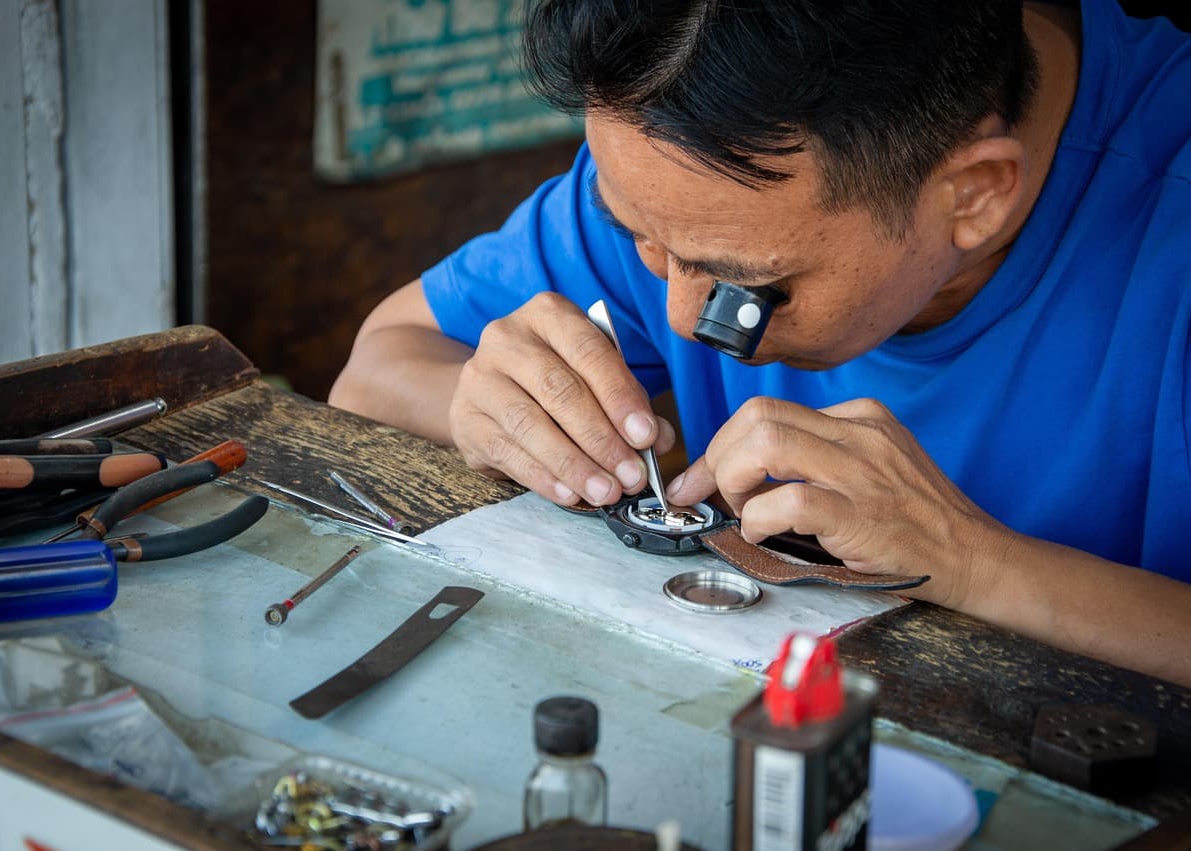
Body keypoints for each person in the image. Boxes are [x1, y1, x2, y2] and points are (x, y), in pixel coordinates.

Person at [332, 0, 1191, 686]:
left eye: (745, 284)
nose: (678, 317)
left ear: (973, 194)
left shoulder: (1169, 238)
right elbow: (377, 366)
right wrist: (493, 410)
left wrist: (977, 563)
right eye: (637, 236)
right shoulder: (683, 160)